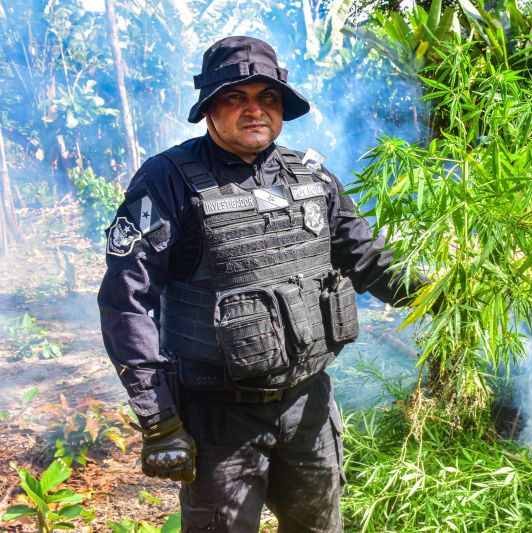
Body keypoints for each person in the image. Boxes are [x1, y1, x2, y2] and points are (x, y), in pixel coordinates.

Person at [98, 35, 422, 532]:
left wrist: (439, 295)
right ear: (210, 109)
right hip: (217, 420)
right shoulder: (167, 181)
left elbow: (366, 257)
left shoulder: (310, 177)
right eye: (236, 97)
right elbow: (126, 303)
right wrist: (159, 420)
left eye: (266, 97)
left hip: (309, 408)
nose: (255, 111)